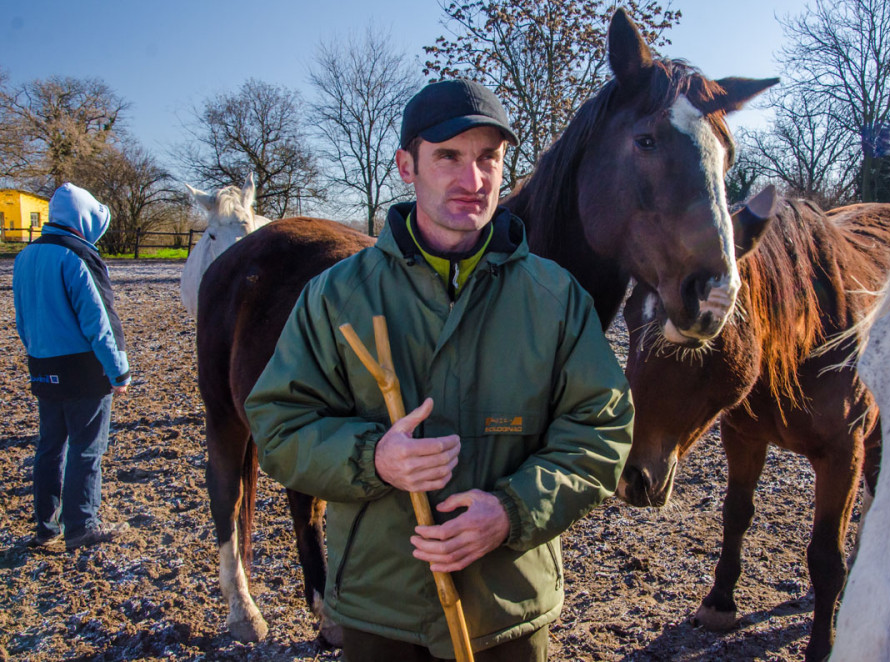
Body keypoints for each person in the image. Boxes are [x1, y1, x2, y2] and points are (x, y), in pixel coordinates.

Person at [245, 79, 633, 661]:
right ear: (407, 165)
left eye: (488, 159)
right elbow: (277, 426)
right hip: (381, 615)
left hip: (509, 612)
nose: (472, 180)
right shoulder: (336, 297)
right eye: (448, 156)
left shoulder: (556, 298)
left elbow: (601, 429)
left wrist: (511, 510)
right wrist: (372, 457)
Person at [13, 183, 131, 551]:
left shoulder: (25, 256)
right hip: (82, 369)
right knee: (87, 447)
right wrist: (119, 370)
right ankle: (82, 525)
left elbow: (21, 318)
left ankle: (46, 527)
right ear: (83, 219)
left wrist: (37, 354)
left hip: (42, 364)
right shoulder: (78, 256)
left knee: (50, 447)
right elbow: (99, 322)